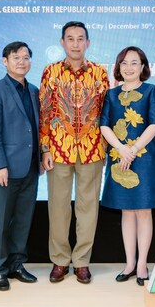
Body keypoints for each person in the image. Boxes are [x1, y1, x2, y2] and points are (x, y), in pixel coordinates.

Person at [39, 21, 109, 284]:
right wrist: (45, 147)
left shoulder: (100, 73)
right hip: (58, 150)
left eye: (81, 39)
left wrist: (106, 146)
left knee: (88, 208)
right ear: (62, 42)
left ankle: (82, 261)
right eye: (70, 38)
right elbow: (44, 113)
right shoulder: (51, 72)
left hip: (92, 150)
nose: (76, 44)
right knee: (58, 207)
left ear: (88, 43)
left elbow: (106, 112)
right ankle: (59, 260)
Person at [100, 46, 155, 286]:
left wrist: (133, 149)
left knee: (144, 211)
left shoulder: (151, 91)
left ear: (143, 66)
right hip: (120, 158)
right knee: (126, 211)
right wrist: (121, 149)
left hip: (145, 159)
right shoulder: (111, 94)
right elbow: (104, 125)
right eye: (124, 63)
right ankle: (129, 263)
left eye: (134, 62)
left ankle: (142, 265)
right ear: (118, 67)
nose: (129, 67)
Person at [0, 41, 40, 291]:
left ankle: (16, 264)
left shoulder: (34, 91)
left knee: (22, 220)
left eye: (26, 57)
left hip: (31, 167)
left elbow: (36, 127)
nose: (21, 62)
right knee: (0, 221)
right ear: (5, 61)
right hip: (5, 168)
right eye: (16, 57)